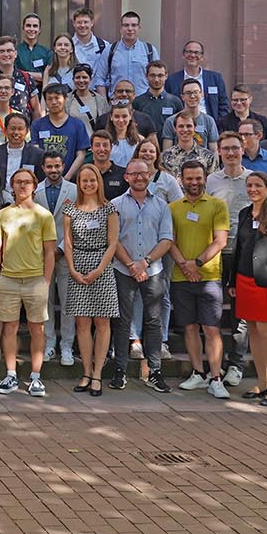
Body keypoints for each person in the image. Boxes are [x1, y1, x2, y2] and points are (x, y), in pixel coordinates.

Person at [224, 170, 267, 405]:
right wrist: (232, 281)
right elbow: (239, 248)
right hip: (244, 280)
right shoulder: (244, 213)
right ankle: (262, 382)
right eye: (249, 185)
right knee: (252, 331)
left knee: (266, 333)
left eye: (257, 186)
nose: (253, 189)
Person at [0, 167, 58, 396]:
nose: (22, 185)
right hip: (8, 279)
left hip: (35, 280)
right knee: (9, 328)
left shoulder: (43, 215)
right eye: (18, 182)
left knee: (37, 329)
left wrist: (46, 281)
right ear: (12, 186)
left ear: (34, 186)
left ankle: (36, 377)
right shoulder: (3, 214)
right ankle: (10, 375)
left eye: (26, 182)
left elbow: (50, 252)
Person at [168, 161, 231, 399]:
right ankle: (198, 372)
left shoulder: (217, 205)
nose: (194, 182)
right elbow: (169, 241)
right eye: (189, 178)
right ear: (181, 180)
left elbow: (220, 240)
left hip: (209, 277)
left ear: (205, 178)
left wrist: (197, 263)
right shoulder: (173, 208)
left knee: (211, 328)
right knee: (190, 327)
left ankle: (215, 378)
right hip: (180, 277)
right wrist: (186, 266)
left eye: (198, 178)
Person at [112, 157, 174, 391]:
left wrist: (144, 263)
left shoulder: (161, 205)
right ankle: (120, 370)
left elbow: (166, 239)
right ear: (126, 177)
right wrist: (131, 265)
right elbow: (113, 239)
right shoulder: (116, 204)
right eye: (134, 174)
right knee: (122, 321)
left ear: (150, 175)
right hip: (123, 269)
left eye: (143, 173)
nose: (139, 177)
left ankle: (155, 372)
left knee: (154, 320)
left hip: (153, 271)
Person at [63, 164, 119, 396]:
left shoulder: (109, 209)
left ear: (99, 182)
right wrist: (72, 269)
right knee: (82, 323)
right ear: (79, 183)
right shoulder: (70, 210)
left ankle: (97, 374)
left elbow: (113, 243)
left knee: (102, 322)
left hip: (101, 266)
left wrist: (99, 269)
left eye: (92, 180)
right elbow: (67, 242)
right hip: (78, 265)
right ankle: (86, 372)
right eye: (84, 180)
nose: (88, 184)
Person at [206, 131, 254, 388]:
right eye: (226, 149)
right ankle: (215, 362)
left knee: (240, 312)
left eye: (235, 148)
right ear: (219, 152)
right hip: (217, 252)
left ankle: (236, 363)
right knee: (213, 309)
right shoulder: (211, 180)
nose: (231, 153)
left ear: (243, 150)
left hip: (244, 253)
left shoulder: (253, 180)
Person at [37, 152, 79, 366]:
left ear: (63, 166)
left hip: (66, 252)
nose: (53, 170)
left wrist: (62, 248)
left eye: (57, 166)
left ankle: (67, 346)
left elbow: (78, 221)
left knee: (67, 301)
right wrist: (45, 250)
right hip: (42, 254)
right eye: (49, 167)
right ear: (43, 168)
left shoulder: (74, 190)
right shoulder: (36, 191)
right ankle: (49, 343)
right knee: (45, 300)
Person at [30, 84, 91, 178]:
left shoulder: (77, 125)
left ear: (65, 99)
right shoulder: (37, 125)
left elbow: (81, 155)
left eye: (57, 98)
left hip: (70, 179)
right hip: (43, 179)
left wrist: (67, 178)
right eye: (49, 99)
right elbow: (36, 151)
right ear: (45, 101)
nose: (54, 102)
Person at [166, 40, 230, 121]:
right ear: (183, 55)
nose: (192, 55)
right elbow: (168, 104)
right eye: (189, 52)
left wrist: (219, 124)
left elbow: (223, 104)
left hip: (210, 124)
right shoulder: (172, 80)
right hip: (182, 125)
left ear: (202, 57)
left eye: (196, 52)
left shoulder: (215, 78)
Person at [0, 111, 44, 184]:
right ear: (5, 131)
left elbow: (41, 182)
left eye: (20, 129)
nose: (16, 132)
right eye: (12, 128)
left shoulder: (37, 154)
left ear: (27, 131)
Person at [161, 112, 217, 177]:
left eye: (189, 126)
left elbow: (214, 180)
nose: (185, 130)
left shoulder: (208, 157)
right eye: (181, 126)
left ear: (195, 128)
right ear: (175, 129)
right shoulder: (165, 157)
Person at [69, 8, 108, 76]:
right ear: (74, 23)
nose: (82, 25)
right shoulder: (67, 46)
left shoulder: (104, 46)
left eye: (86, 22)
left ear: (92, 23)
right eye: (79, 22)